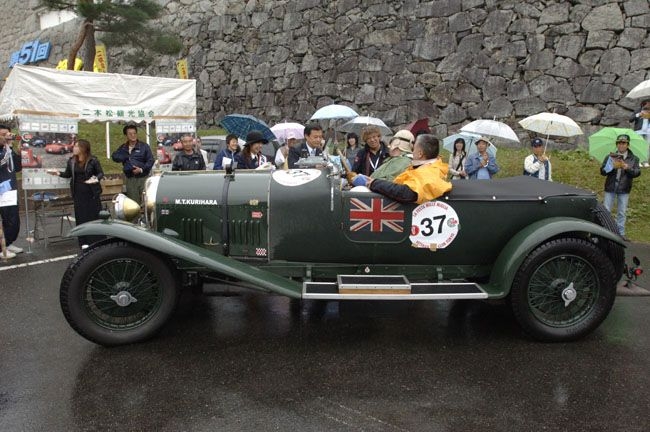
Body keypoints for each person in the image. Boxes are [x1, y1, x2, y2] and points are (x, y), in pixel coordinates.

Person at [355, 134, 452, 204]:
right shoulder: (427, 167)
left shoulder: (429, 172)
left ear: (420, 154)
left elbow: (406, 193)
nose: (412, 152)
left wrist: (374, 183)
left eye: (414, 149)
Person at [47, 139, 105, 248]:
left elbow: (101, 173)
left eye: (77, 146)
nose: (74, 148)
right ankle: (84, 242)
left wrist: (96, 179)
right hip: (78, 193)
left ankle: (97, 241)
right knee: (81, 217)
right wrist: (57, 173)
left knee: (93, 216)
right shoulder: (72, 161)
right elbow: (68, 174)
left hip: (91, 193)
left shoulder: (93, 160)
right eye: (74, 146)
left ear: (83, 148)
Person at [600, 134, 641, 240]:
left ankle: (621, 234)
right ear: (616, 144)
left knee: (622, 212)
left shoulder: (634, 158)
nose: (621, 145)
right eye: (619, 143)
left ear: (628, 145)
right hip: (610, 187)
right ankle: (605, 232)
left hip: (624, 188)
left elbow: (637, 173)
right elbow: (602, 172)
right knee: (606, 211)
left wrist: (627, 168)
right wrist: (611, 167)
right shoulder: (610, 157)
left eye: (623, 143)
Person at [111, 124, 154, 205]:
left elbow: (151, 160)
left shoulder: (144, 146)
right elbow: (114, 157)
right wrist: (125, 157)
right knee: (133, 204)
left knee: (146, 203)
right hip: (130, 179)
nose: (133, 135)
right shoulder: (123, 147)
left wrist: (141, 169)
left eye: (134, 133)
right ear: (126, 136)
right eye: (130, 134)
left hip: (143, 178)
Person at [0, 126, 22, 259]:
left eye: (8, 134)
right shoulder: (4, 150)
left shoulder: (8, 149)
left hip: (10, 190)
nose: (7, 137)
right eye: (3, 134)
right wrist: (8, 147)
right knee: (4, 220)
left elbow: (17, 168)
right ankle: (2, 248)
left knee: (13, 220)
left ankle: (8, 243)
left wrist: (17, 151)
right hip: (1, 191)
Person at [630, 99, 650, 166]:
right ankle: (638, 161)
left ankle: (645, 161)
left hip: (648, 131)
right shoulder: (637, 111)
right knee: (639, 146)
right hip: (639, 131)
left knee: (647, 147)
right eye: (648, 104)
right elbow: (630, 119)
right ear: (643, 104)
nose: (649, 105)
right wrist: (638, 114)